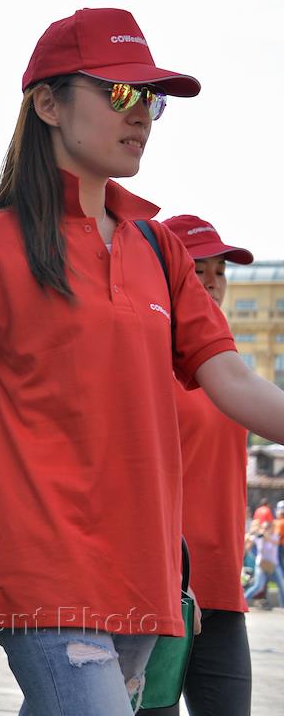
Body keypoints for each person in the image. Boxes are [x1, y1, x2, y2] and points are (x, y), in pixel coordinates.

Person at [0, 7, 284, 715]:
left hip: (146, 573)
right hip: (46, 571)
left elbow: (234, 380)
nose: (142, 114)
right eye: (120, 92)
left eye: (151, 99)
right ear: (48, 104)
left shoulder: (158, 249)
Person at [134, 216, 254, 716]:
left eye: (219, 272)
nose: (211, 282)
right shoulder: (143, 362)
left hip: (222, 587)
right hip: (159, 588)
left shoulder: (229, 369)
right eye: (198, 269)